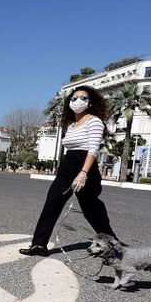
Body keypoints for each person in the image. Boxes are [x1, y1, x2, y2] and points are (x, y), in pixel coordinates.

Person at [20, 85, 118, 257]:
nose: (77, 101)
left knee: (92, 211)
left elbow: (93, 150)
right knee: (51, 204)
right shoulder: (71, 125)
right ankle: (39, 245)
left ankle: (115, 247)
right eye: (74, 98)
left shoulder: (94, 121)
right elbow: (69, 148)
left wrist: (83, 173)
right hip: (67, 165)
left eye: (83, 98)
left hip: (85, 166)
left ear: (89, 102)